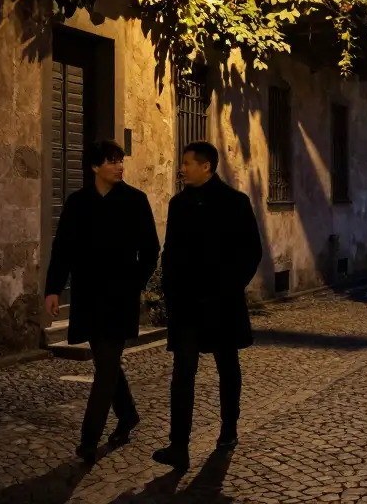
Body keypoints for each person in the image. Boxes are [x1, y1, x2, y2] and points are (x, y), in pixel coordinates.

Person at [45, 140, 160, 464]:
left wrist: (134, 283)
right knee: (106, 364)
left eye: (121, 160)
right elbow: (63, 249)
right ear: (96, 167)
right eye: (112, 161)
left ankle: (88, 440)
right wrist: (53, 289)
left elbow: (150, 250)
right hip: (87, 297)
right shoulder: (78, 203)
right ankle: (128, 417)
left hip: (120, 298)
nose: (120, 166)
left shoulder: (135, 201)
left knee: (106, 367)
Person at [152, 141, 262, 470]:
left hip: (222, 303)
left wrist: (228, 287)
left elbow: (251, 252)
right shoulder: (179, 204)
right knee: (183, 373)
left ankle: (228, 430)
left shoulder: (235, 203)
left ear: (206, 167)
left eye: (187, 163)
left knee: (227, 367)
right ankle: (179, 445)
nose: (181, 168)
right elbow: (171, 251)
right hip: (186, 304)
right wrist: (170, 288)